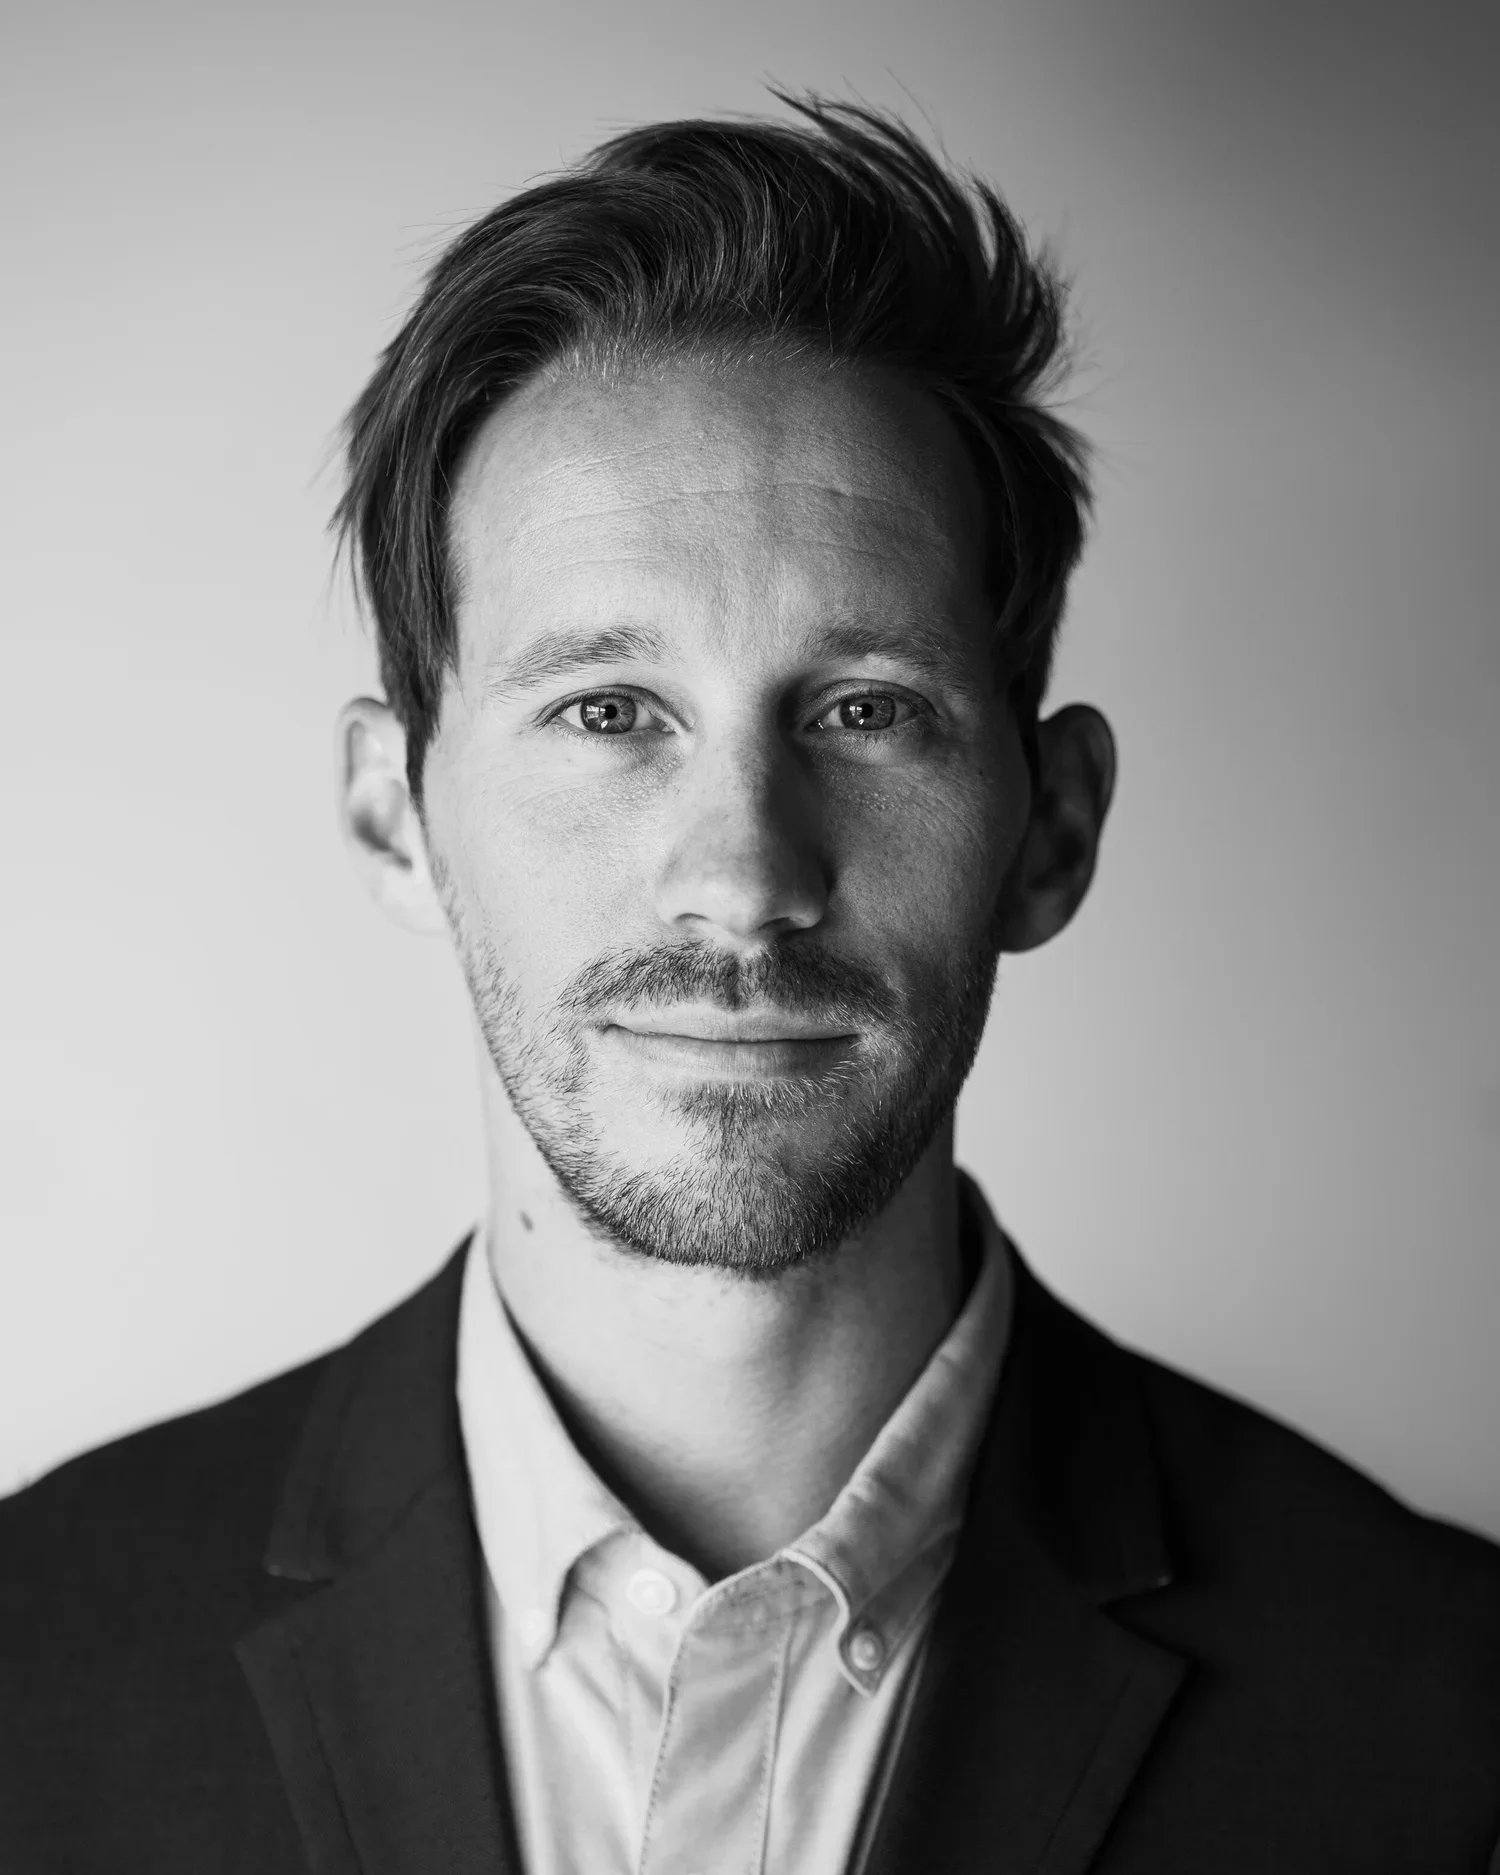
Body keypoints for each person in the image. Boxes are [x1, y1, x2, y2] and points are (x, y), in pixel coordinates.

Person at [2, 94, 1497, 1875]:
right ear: (396, 814)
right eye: (607, 710)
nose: (741, 875)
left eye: (865, 710)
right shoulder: (35, 1670)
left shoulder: (1442, 1723)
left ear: (1052, 828)